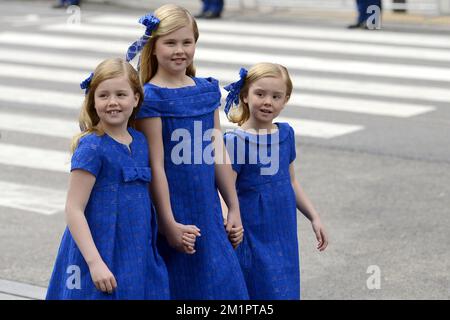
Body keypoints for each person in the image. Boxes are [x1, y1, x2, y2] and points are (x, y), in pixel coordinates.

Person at [126, 5, 248, 299]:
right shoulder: (150, 97)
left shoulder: (206, 91)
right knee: (182, 287)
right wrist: (168, 224)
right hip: (172, 210)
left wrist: (233, 208)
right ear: (152, 48)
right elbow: (155, 166)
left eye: (187, 42)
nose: (179, 50)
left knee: (223, 285)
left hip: (207, 209)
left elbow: (218, 153)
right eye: (170, 42)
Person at [46, 58, 170, 300]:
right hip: (99, 250)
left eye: (121, 94)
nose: (112, 102)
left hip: (137, 250)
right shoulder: (92, 147)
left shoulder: (141, 141)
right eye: (103, 95)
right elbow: (74, 208)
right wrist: (94, 263)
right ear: (93, 101)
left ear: (136, 99)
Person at [222, 63, 329, 300]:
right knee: (259, 286)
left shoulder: (286, 134)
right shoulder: (235, 141)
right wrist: (229, 221)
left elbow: (290, 181)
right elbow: (224, 190)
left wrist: (314, 216)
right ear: (245, 96)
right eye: (260, 94)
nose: (267, 101)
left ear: (285, 99)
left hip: (282, 226)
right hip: (251, 228)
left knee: (285, 284)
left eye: (276, 96)